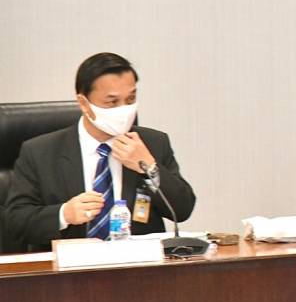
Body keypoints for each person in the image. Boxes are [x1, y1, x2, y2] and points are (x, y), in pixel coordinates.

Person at [5, 52, 195, 252]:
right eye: (112, 102)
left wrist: (149, 167)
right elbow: (15, 222)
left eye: (130, 99)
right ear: (84, 103)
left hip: (138, 264)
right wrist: (64, 214)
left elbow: (183, 210)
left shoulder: (153, 143)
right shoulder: (40, 152)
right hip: (71, 266)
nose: (124, 110)